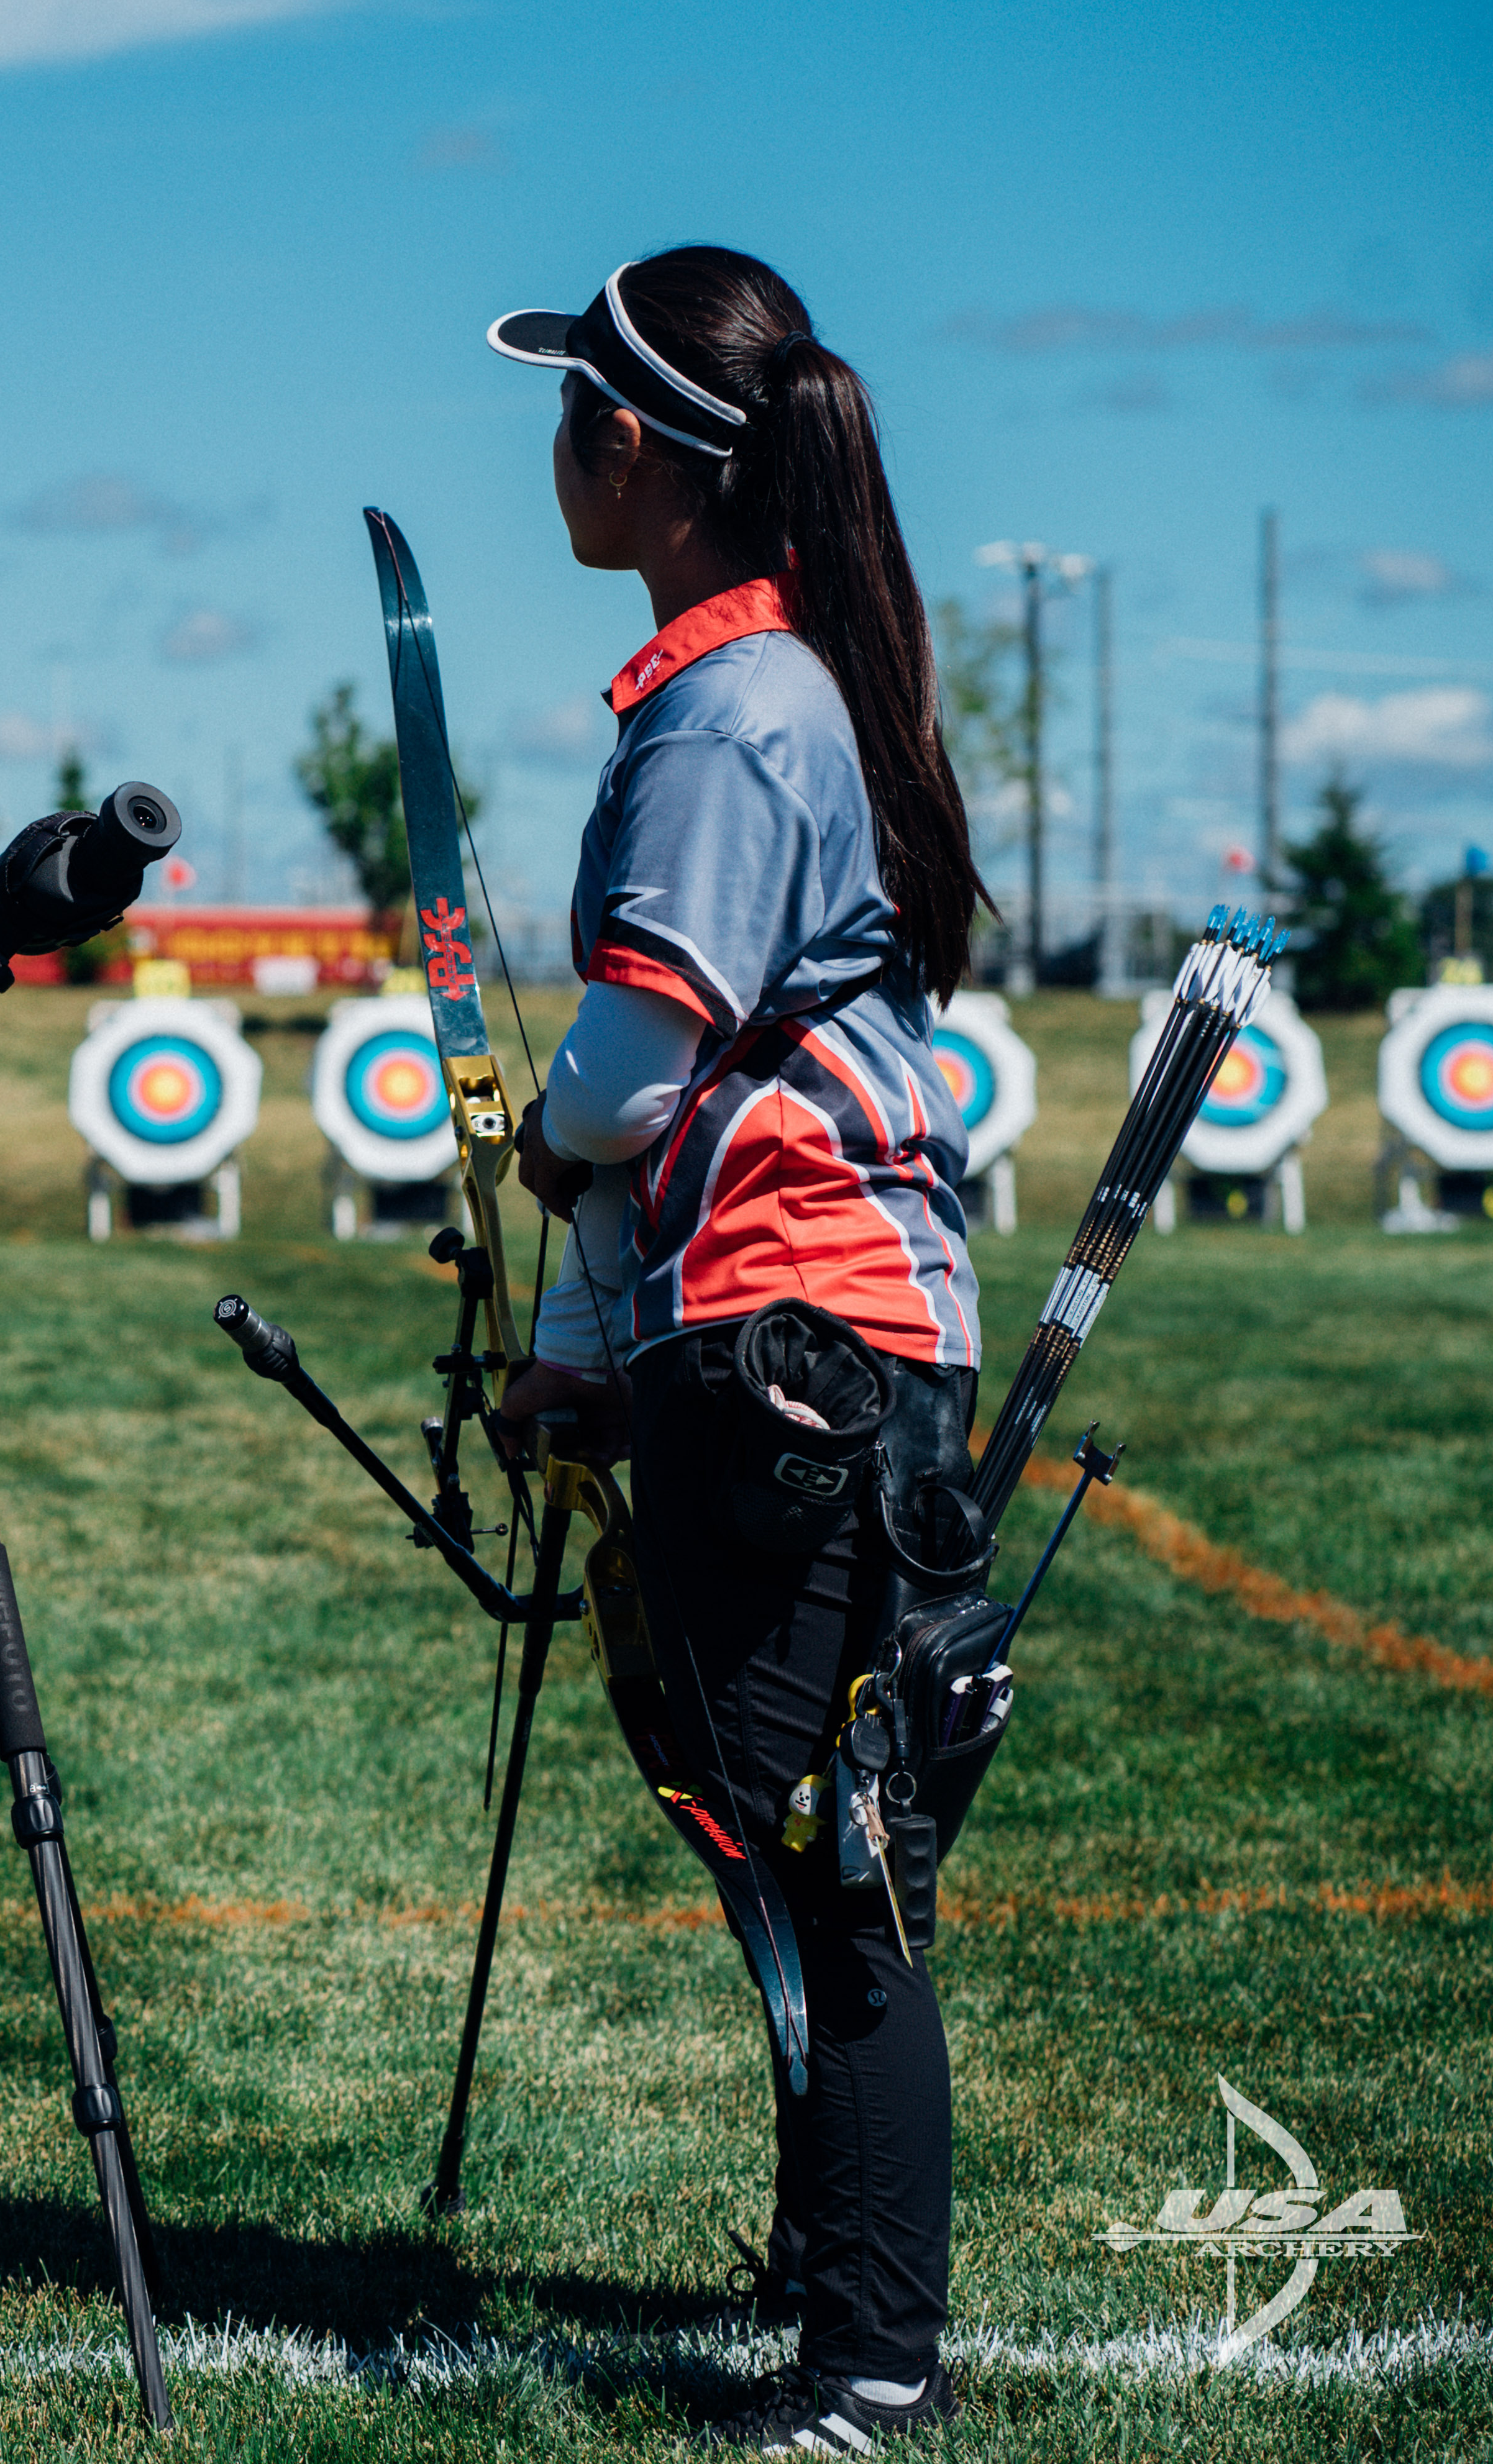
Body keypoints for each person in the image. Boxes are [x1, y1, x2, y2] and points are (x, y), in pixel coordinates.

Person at [483, 248, 995, 2452]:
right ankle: (830, 2286)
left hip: (811, 1341)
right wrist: (597, 1332)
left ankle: (869, 2368)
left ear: (637, 450)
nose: (551, 446)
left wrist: (536, 1138)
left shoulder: (735, 703)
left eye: (570, 409)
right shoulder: (767, 683)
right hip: (784, 1326)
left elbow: (632, 1059)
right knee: (784, 1829)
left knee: (835, 1855)